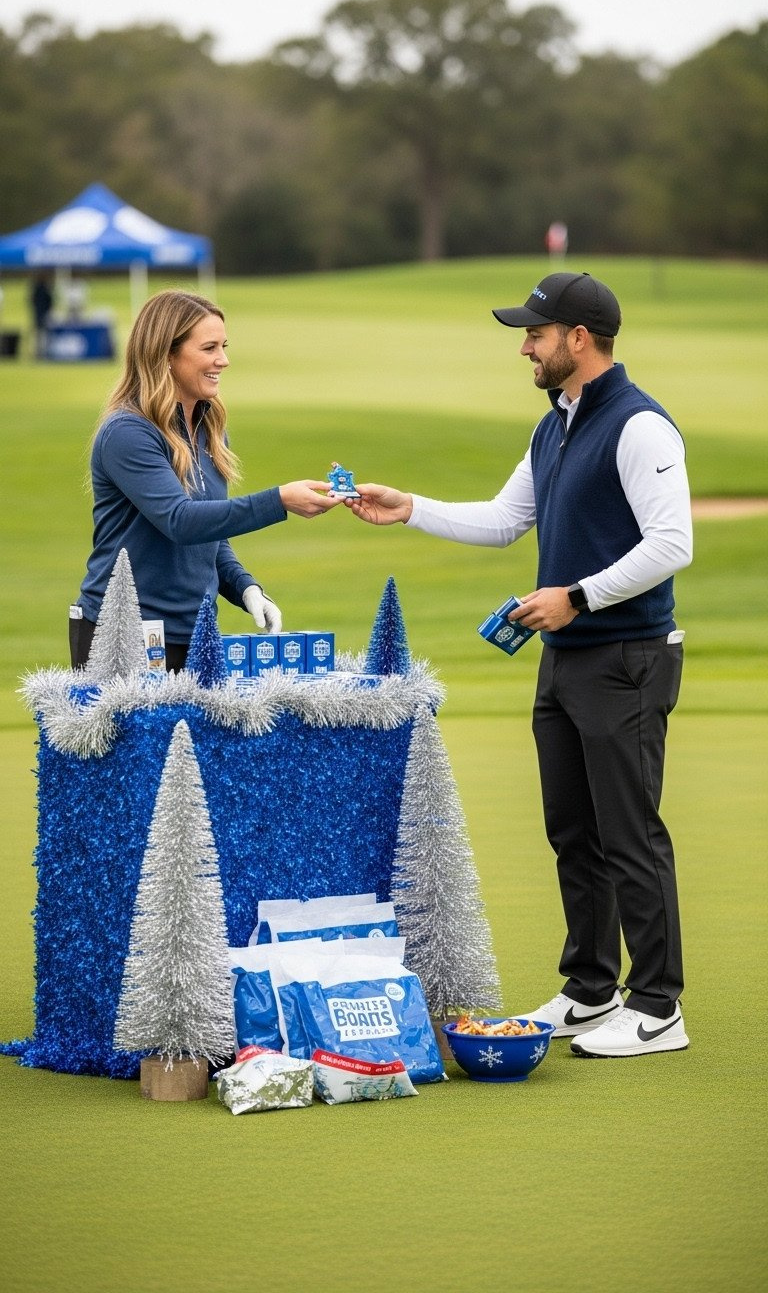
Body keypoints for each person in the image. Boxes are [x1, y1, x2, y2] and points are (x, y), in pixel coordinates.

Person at [343, 271, 693, 1059]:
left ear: (579, 338)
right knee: (573, 830)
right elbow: (505, 521)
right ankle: (590, 987)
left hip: (627, 657)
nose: (525, 347)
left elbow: (673, 544)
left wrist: (576, 595)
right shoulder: (555, 424)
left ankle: (660, 1005)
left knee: (629, 832)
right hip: (568, 660)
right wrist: (412, 509)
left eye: (535, 333)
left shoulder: (640, 426)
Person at [71, 289, 337, 672]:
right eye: (209, 348)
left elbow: (210, 533)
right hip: (121, 634)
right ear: (166, 354)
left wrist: (246, 589)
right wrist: (278, 501)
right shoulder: (128, 432)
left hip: (194, 634)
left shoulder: (208, 428)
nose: (223, 361)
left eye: (224, 346)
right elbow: (181, 521)